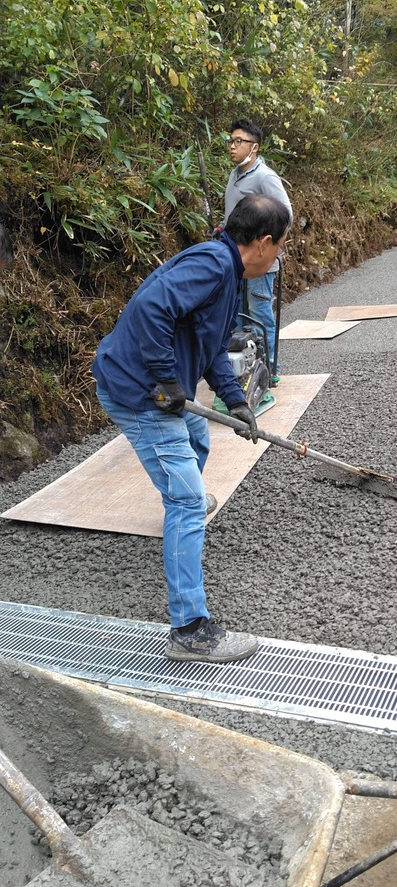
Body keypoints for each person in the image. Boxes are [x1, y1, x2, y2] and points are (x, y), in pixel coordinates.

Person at [92, 194, 290, 664]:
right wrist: (166, 377)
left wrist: (237, 400)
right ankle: (190, 629)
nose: (278, 256)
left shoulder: (226, 270)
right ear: (262, 243)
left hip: (159, 385)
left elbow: (213, 348)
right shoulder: (211, 266)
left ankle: (183, 503)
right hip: (139, 391)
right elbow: (148, 309)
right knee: (185, 499)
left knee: (197, 439)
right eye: (280, 247)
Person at [223, 118, 293, 382]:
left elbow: (286, 215)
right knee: (237, 315)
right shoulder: (235, 175)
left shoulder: (265, 177)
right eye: (231, 141)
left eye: (239, 141)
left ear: (255, 148)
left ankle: (270, 369)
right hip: (236, 260)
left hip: (259, 263)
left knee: (259, 314)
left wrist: (271, 248)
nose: (233, 146)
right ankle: (242, 371)